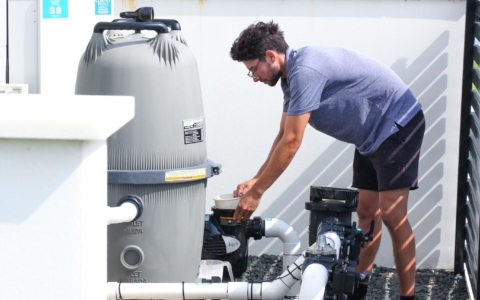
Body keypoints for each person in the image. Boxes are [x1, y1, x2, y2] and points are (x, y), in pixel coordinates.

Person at [229, 21, 425, 300]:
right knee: (367, 213)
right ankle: (360, 287)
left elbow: (293, 142)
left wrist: (259, 192)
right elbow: (283, 134)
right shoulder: (291, 76)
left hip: (397, 124)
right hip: (370, 136)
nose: (254, 77)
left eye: (252, 69)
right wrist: (256, 180)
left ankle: (409, 296)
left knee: (393, 214)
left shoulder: (306, 71)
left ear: (270, 56)